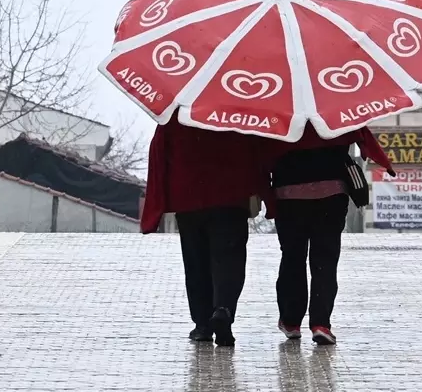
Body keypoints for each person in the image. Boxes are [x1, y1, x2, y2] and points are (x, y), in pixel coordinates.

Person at [140, 120, 275, 347]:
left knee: (196, 261)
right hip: (230, 196)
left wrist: (155, 207)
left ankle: (202, 324)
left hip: (188, 197)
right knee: (229, 259)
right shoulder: (236, 112)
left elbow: (158, 153)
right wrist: (267, 193)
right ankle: (223, 309)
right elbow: (257, 150)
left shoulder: (177, 112)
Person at [268, 127, 392, 346]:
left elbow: (263, 150)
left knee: (292, 258)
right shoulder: (333, 110)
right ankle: (321, 324)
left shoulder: (283, 113)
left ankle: (291, 321)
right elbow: (360, 136)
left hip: (289, 194)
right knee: (325, 259)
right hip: (331, 195)